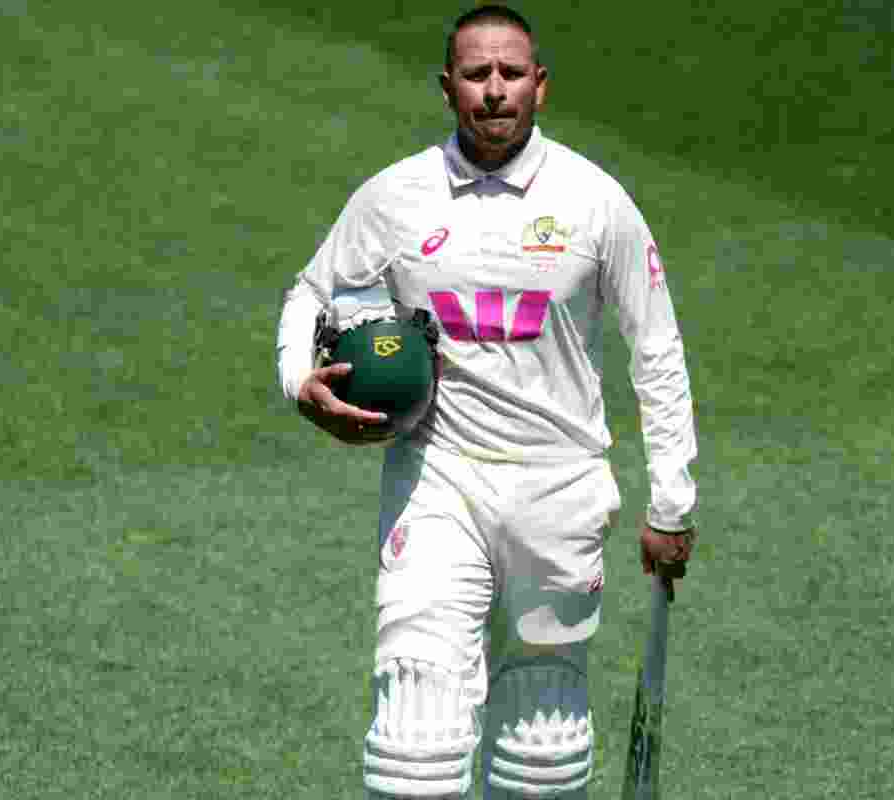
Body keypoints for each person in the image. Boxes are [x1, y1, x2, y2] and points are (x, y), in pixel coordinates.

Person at [273, 6, 698, 798]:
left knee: (543, 745)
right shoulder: (397, 196)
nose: (494, 91)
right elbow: (311, 293)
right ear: (447, 88)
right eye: (476, 75)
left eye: (510, 74)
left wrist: (671, 501)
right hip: (439, 478)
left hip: (560, 485)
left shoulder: (595, 202)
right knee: (416, 743)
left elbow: (657, 349)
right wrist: (301, 382)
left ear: (539, 84)